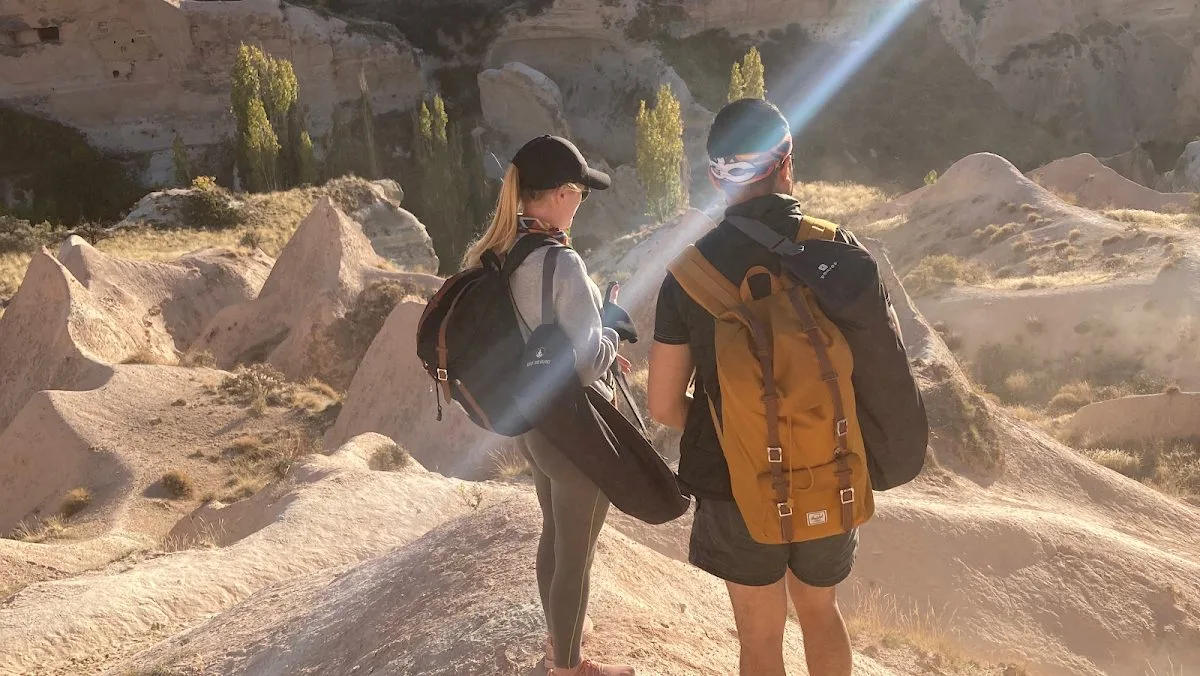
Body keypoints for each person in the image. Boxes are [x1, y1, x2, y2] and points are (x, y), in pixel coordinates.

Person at [646, 99, 858, 676]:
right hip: (829, 463)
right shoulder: (836, 248)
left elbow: (662, 404)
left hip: (735, 481)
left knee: (760, 636)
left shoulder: (687, 275)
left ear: (716, 176)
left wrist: (739, 427)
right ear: (787, 164)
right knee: (820, 611)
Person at [462, 135, 636, 676]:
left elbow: (540, 338)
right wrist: (611, 328)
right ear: (561, 193)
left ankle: (557, 644)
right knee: (575, 555)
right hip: (572, 426)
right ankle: (567, 665)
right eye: (580, 192)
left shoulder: (500, 251)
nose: (581, 202)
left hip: (532, 421)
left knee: (555, 538)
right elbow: (582, 363)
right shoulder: (561, 262)